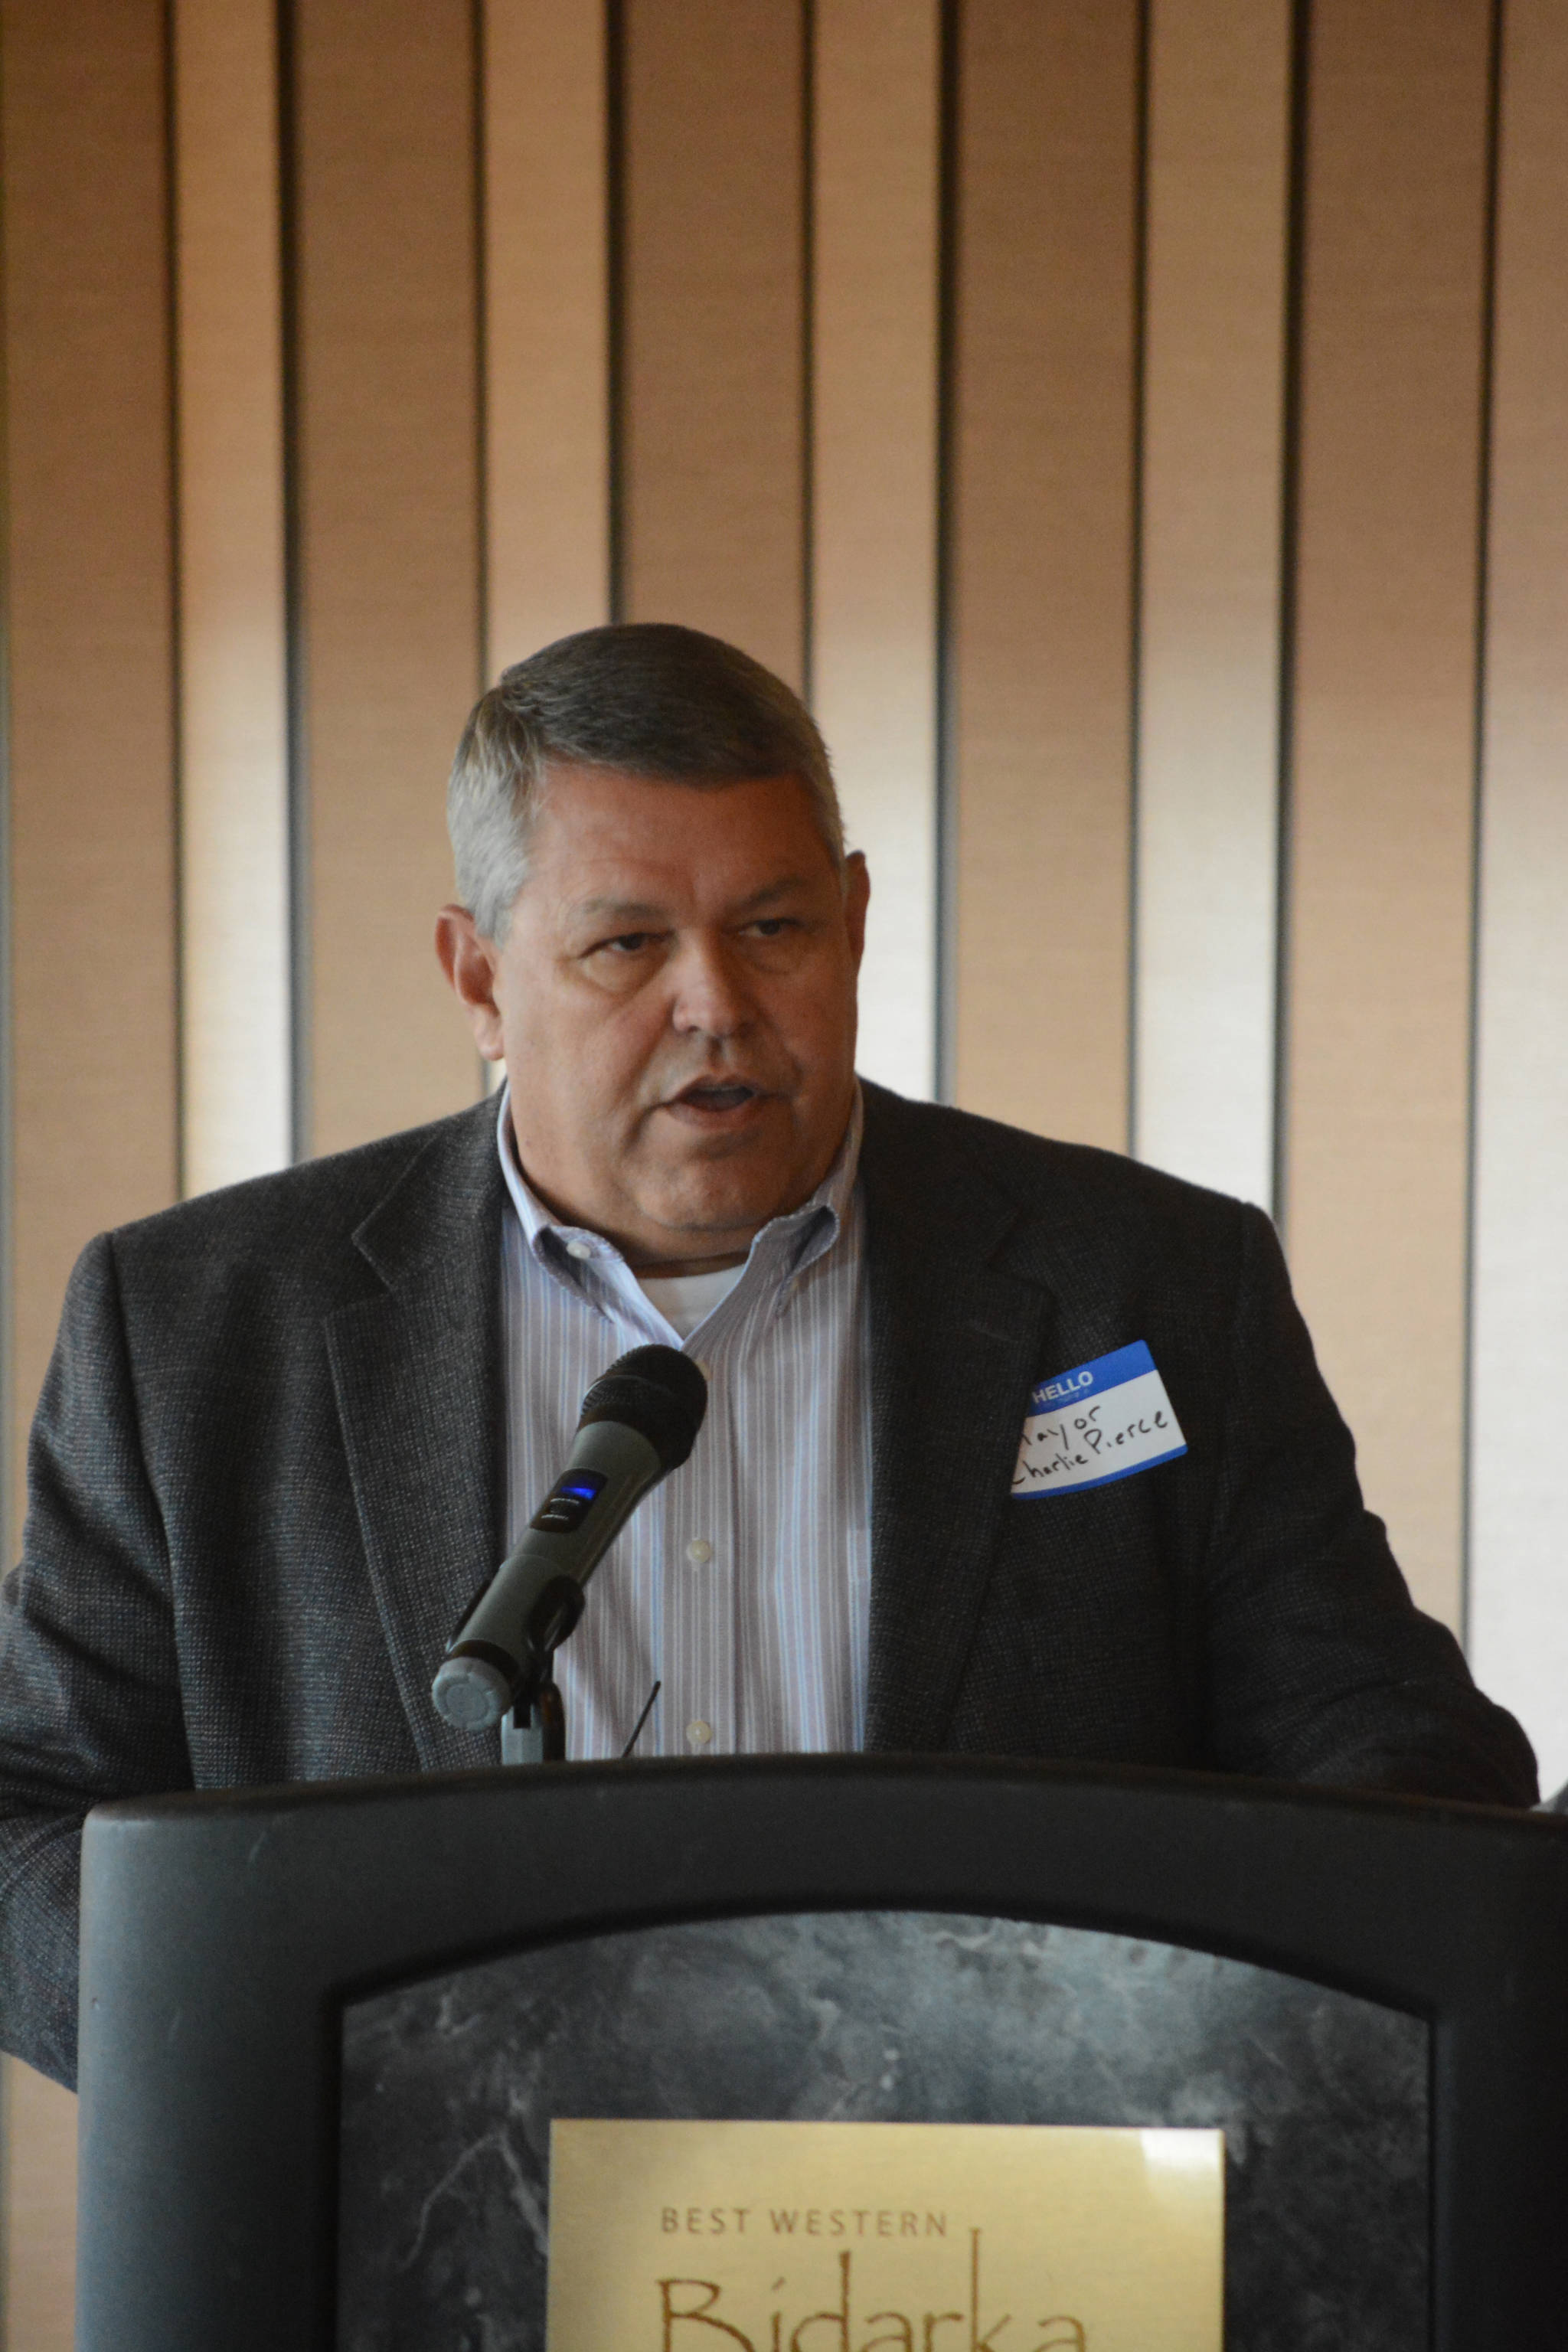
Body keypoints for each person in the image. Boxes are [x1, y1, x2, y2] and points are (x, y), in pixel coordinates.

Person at [0, 623, 1537, 2089]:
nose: (716, 1008)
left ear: (856, 923)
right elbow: (27, 1824)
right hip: (406, 2245)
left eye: (773, 928)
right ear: (479, 979)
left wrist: (1187, 2036)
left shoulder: (1143, 1284)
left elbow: (1388, 1751)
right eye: (624, 946)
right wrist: (308, 2046)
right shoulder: (197, 1327)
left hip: (1015, 2225)